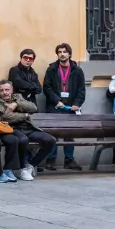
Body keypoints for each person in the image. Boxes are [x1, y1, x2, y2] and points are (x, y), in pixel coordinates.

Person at [0, 80, 56, 181]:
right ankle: (22, 168)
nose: (4, 92)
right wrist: (25, 115)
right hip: (12, 129)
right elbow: (6, 116)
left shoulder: (18, 97)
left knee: (50, 140)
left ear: (11, 90)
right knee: (23, 140)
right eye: (1, 90)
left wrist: (16, 104)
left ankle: (30, 165)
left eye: (7, 90)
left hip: (28, 128)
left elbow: (33, 107)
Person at [42, 43, 84, 171]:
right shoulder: (51, 69)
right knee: (52, 134)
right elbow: (47, 87)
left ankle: (69, 160)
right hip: (54, 106)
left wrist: (77, 104)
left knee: (69, 134)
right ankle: (50, 160)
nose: (62, 54)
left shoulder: (77, 70)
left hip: (70, 107)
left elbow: (81, 90)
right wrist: (56, 100)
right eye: (59, 52)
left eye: (64, 52)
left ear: (69, 54)